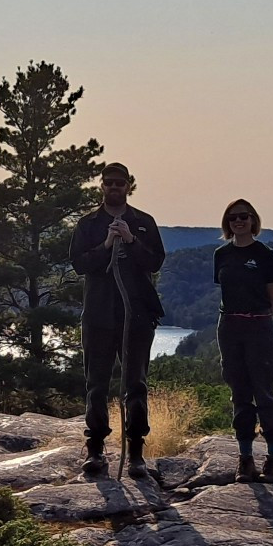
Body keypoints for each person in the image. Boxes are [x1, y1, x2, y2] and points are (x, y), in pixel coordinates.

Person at [69, 163, 166, 479]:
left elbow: (154, 261)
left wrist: (131, 240)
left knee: (135, 383)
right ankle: (96, 449)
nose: (114, 187)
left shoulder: (143, 223)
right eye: (108, 183)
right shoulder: (88, 225)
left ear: (128, 186)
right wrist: (107, 245)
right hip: (98, 316)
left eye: (119, 183)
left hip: (135, 316)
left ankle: (136, 452)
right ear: (102, 186)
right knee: (96, 383)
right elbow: (80, 265)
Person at [216, 198, 273, 482]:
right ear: (227, 223)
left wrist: (265, 325)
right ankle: (245, 460)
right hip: (229, 325)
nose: (239, 221)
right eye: (233, 218)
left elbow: (272, 298)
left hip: (258, 326)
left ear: (253, 220)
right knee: (239, 394)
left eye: (244, 217)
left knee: (265, 394)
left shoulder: (266, 255)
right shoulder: (221, 254)